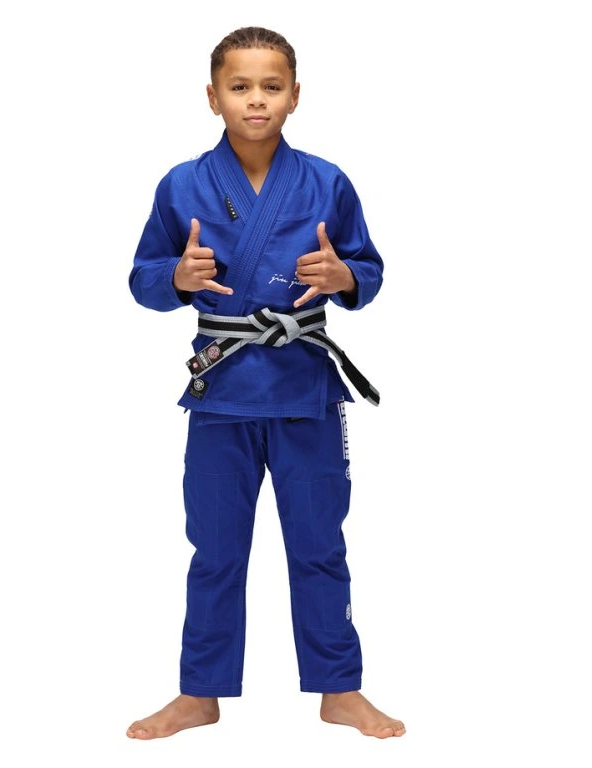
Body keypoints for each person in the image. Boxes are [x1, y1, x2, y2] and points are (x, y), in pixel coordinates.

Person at [126, 26, 404, 740]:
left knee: (319, 545)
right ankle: (200, 692)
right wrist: (176, 277)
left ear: (295, 96)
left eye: (271, 87)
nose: (256, 100)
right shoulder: (182, 184)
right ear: (213, 96)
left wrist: (344, 276)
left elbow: (368, 271)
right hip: (221, 392)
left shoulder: (327, 182)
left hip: (305, 389)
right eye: (240, 86)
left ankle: (340, 688)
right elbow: (144, 278)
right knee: (215, 548)